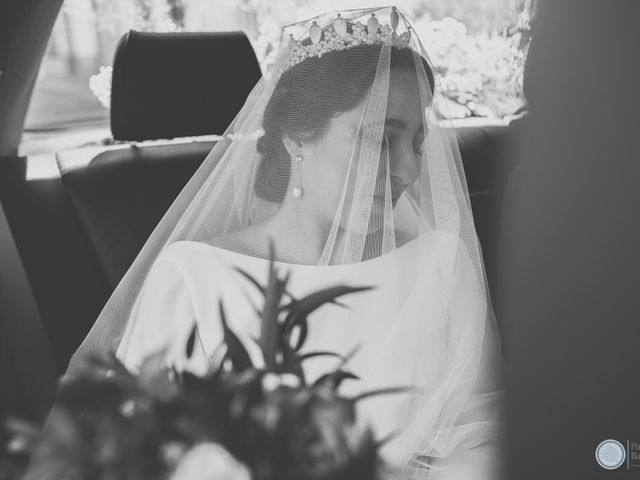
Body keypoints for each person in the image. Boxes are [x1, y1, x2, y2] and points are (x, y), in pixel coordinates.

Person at [67, 7, 506, 479]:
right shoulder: (192, 278)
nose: (407, 171)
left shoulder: (440, 264)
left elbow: (481, 436)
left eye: (417, 144)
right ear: (298, 136)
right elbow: (138, 453)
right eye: (380, 140)